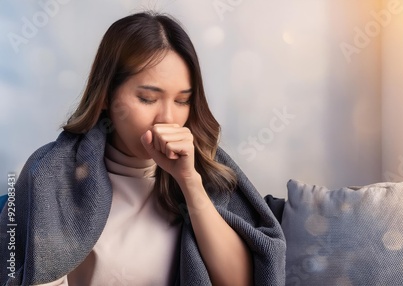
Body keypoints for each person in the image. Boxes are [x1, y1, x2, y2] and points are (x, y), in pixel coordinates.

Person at [0, 11, 286, 285]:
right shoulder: (50, 172)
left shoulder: (207, 170)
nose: (168, 118)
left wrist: (190, 183)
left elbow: (243, 283)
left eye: (182, 101)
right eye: (148, 99)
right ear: (106, 96)